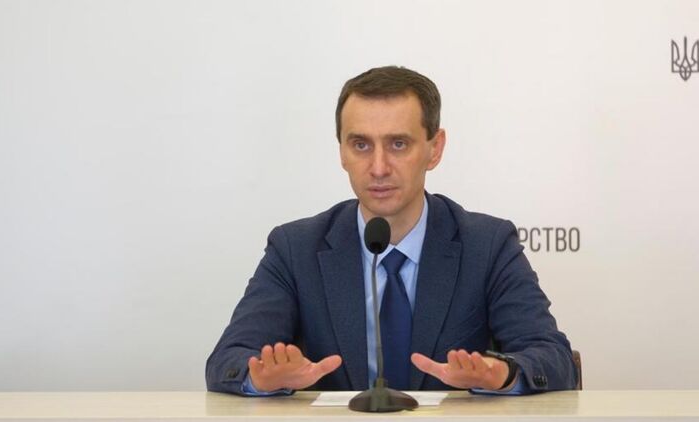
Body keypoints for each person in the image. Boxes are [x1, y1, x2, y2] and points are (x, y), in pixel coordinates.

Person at [206, 66, 578, 396]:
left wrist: (503, 373)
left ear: (435, 149)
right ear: (342, 152)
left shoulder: (487, 245)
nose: (379, 167)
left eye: (398, 144)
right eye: (361, 145)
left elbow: (552, 356)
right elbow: (228, 359)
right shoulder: (295, 248)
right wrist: (261, 378)